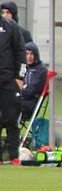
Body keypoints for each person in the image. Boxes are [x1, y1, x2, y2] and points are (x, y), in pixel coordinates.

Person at [0, 11, 26, 164]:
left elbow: (21, 51)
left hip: (8, 81)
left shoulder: (10, 27)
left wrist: (20, 77)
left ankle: (13, 156)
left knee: (11, 118)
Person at [19, 42, 48, 121]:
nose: (29, 56)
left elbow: (31, 91)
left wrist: (21, 87)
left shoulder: (41, 71)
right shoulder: (23, 67)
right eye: (26, 54)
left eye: (31, 54)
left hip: (28, 108)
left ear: (36, 55)